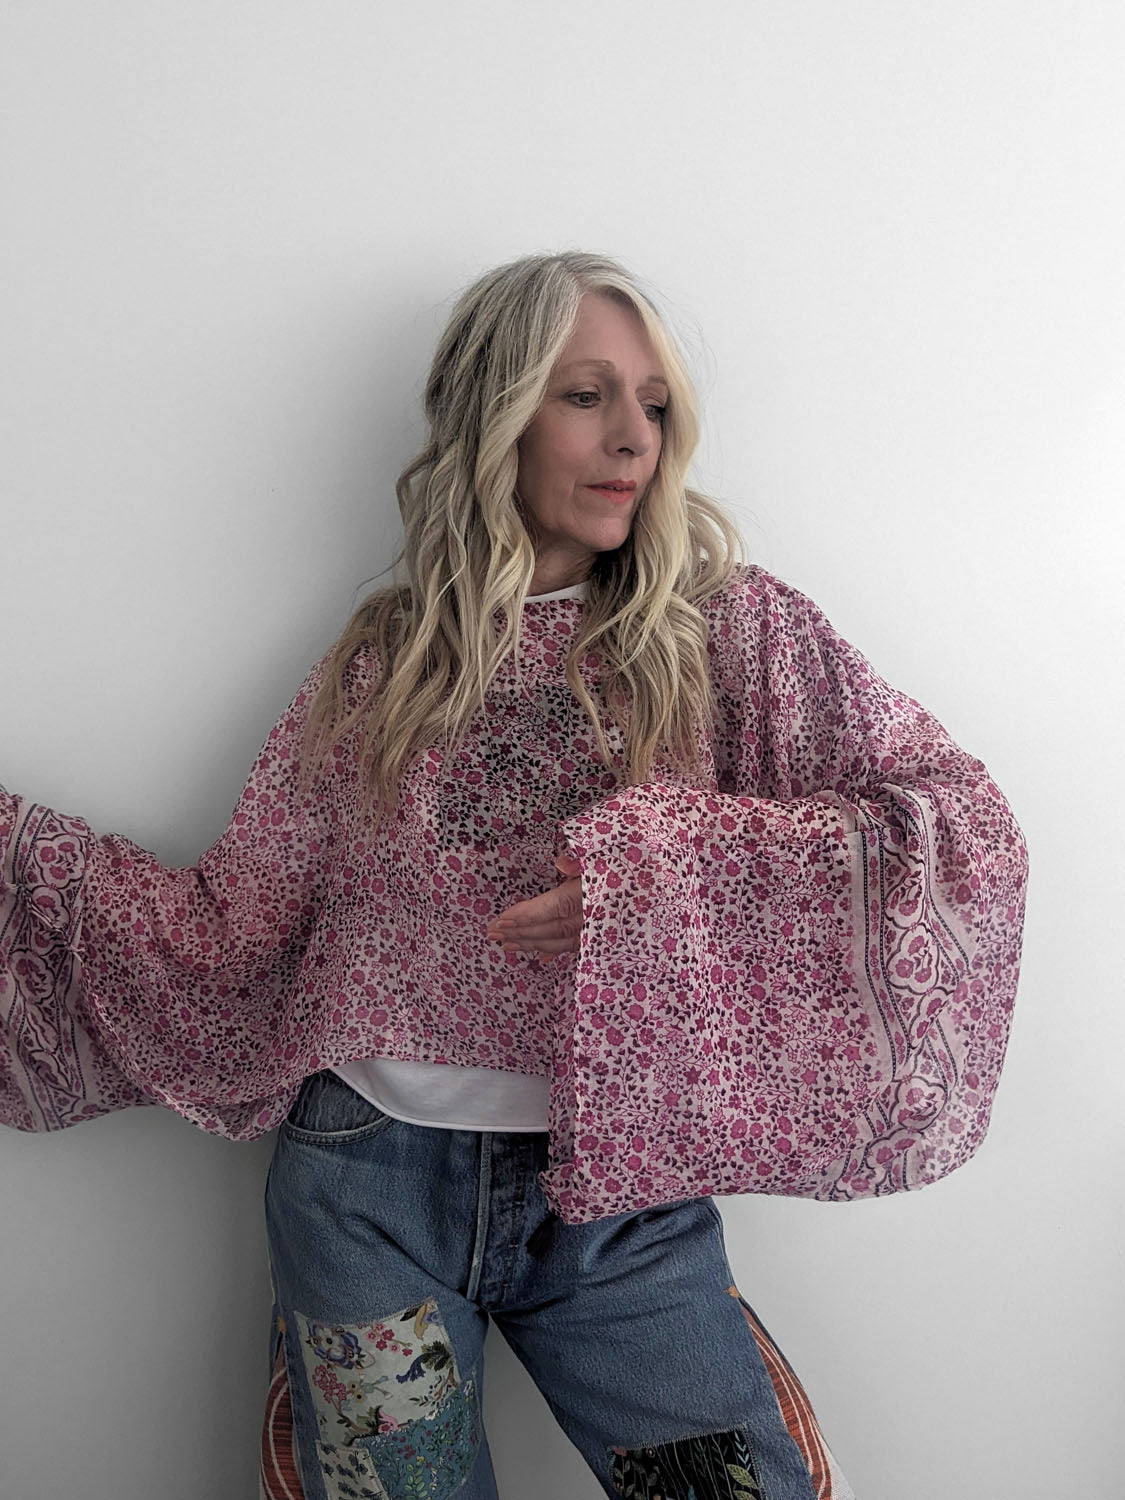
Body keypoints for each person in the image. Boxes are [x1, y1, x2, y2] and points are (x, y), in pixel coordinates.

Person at [0, 251, 1027, 1500]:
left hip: (622, 1207)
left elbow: (950, 825)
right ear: (498, 415)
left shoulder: (728, 633)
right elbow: (237, 924)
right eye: (585, 394)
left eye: (653, 403)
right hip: (366, 1189)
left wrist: (663, 890)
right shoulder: (387, 662)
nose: (632, 437)